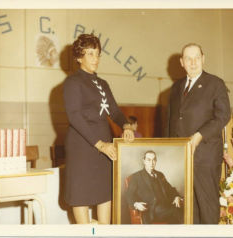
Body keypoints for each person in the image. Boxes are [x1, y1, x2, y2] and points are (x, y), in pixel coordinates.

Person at [63, 33, 134, 224]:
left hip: (105, 148)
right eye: (90, 54)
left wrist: (126, 126)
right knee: (82, 195)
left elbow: (115, 111)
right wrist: (100, 144)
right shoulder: (73, 82)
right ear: (79, 57)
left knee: (104, 193)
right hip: (83, 146)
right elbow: (74, 116)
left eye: (98, 54)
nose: (95, 59)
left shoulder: (103, 83)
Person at [165, 43, 231, 224]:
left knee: (207, 207)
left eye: (196, 57)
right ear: (181, 62)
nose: (193, 62)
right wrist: (168, 151)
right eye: (188, 58)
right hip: (180, 158)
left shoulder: (215, 83)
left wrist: (200, 134)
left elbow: (223, 115)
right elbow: (170, 121)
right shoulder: (176, 87)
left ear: (203, 58)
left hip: (205, 156)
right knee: (188, 209)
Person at [125, 150, 183, 224]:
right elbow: (129, 194)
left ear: (156, 161)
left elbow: (170, 189)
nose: (152, 163)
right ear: (144, 161)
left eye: (154, 160)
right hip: (151, 210)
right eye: (149, 160)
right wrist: (136, 204)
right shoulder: (136, 176)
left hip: (165, 207)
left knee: (181, 211)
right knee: (176, 212)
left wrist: (176, 197)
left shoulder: (160, 175)